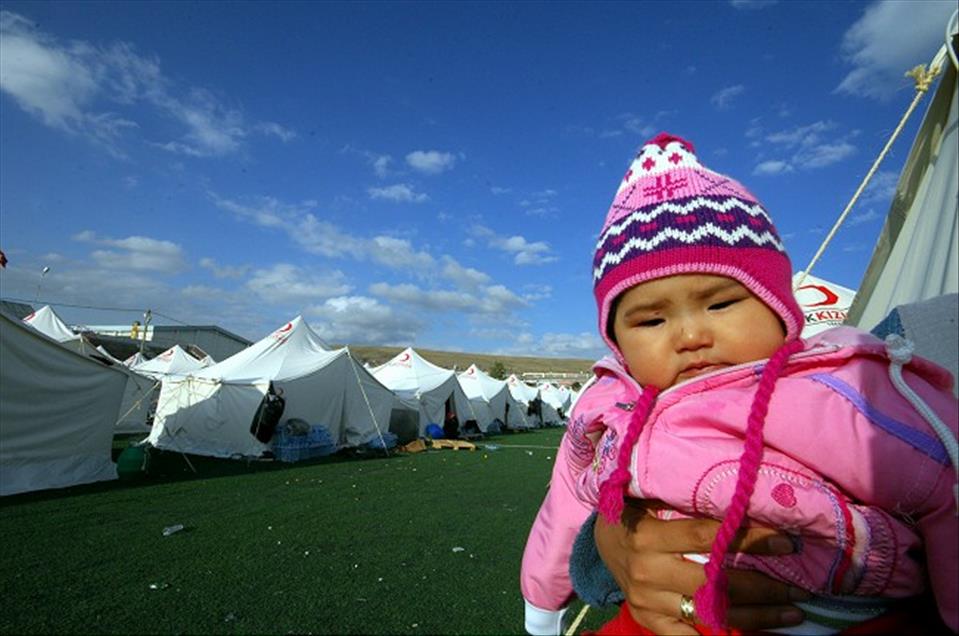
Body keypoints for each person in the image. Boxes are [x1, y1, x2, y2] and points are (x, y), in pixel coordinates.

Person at [520, 133, 958, 635]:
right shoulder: (608, 410)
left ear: (779, 308)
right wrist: (542, 607)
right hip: (657, 616)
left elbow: (943, 487)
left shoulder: (838, 390)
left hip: (835, 615)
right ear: (616, 341)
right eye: (650, 322)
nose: (690, 335)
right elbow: (567, 502)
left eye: (720, 304)